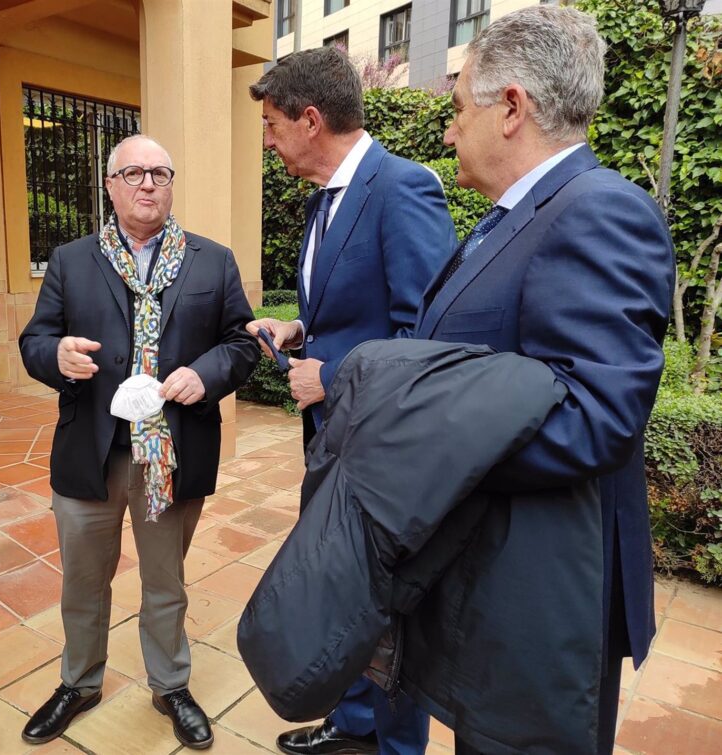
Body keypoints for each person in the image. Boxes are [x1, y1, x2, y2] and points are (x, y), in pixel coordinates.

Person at [401, 7, 674, 753]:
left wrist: (418, 438)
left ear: (512, 107)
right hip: (498, 579)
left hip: (550, 599)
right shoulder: (510, 215)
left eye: (459, 110)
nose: (449, 131)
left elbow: (595, 416)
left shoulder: (599, 211)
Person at [17, 134, 259, 750]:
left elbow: (240, 343)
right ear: (110, 185)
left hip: (171, 456)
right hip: (90, 451)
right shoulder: (72, 260)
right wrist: (56, 355)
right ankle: (79, 681)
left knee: (165, 582)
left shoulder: (213, 260)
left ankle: (170, 684)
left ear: (171, 183)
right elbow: (34, 341)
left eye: (159, 172)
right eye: (133, 174)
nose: (147, 184)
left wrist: (203, 375)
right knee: (82, 581)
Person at [246, 46, 455, 755]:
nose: (268, 141)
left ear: (310, 120)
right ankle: (356, 724)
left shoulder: (403, 189)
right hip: (334, 444)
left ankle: (396, 745)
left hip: (382, 450)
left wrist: (329, 376)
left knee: (390, 606)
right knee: (347, 594)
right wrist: (300, 326)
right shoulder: (323, 199)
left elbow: (427, 338)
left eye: (273, 125)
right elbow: (353, 309)